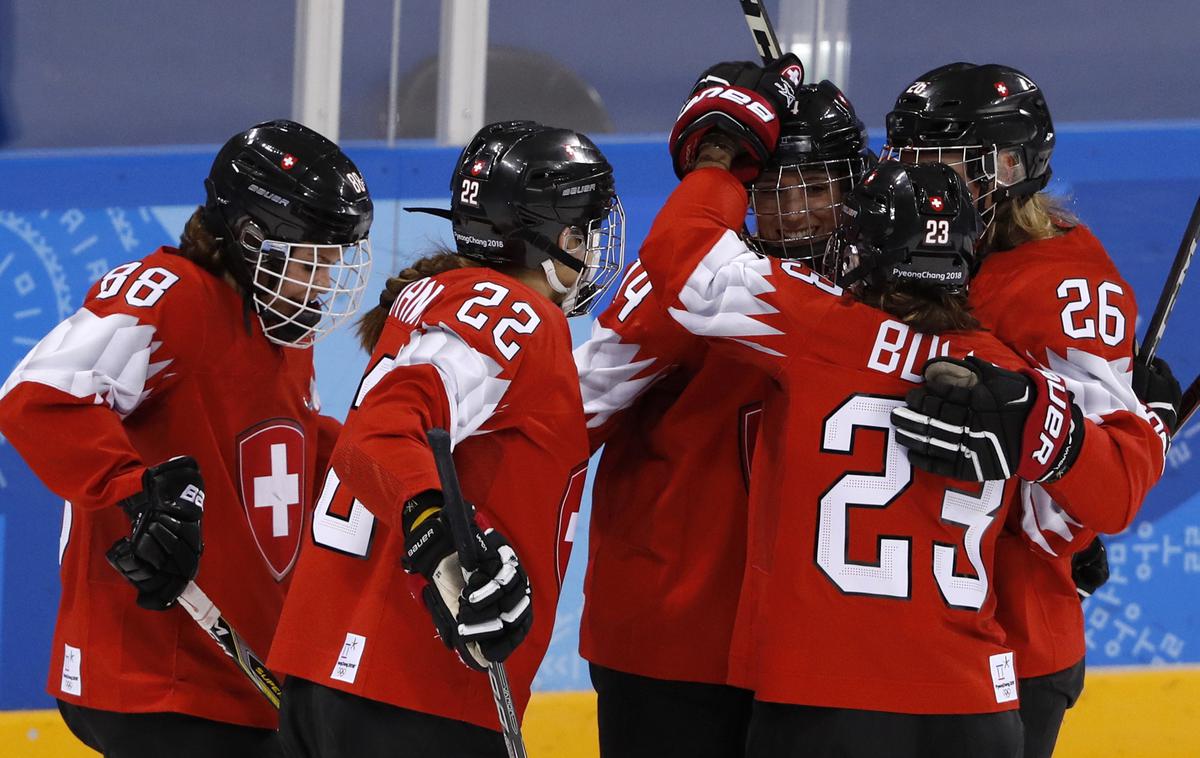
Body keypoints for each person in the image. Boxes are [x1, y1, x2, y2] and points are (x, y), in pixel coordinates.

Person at [627, 58, 1053, 757]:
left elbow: (683, 258)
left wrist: (719, 156)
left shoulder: (814, 329)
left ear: (858, 247)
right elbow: (1102, 487)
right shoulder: (1014, 373)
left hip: (827, 703)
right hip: (977, 710)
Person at [0, 119, 373, 757]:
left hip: (231, 673)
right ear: (254, 237)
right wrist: (136, 494)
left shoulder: (281, 329)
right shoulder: (172, 296)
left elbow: (282, 446)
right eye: (314, 257)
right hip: (152, 672)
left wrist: (390, 478)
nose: (326, 279)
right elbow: (40, 393)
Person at [267, 119, 625, 758]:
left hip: (324, 679)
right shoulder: (516, 312)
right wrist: (438, 536)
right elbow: (380, 433)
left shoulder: (435, 300)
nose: (591, 248)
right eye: (582, 230)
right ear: (550, 237)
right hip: (417, 693)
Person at [575, 69, 875, 758]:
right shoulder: (694, 289)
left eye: (817, 188)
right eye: (771, 191)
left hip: (808, 658)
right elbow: (570, 412)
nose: (795, 213)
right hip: (674, 651)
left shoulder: (882, 299)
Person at [880, 62, 1175, 758]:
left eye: (948, 161)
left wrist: (1070, 511)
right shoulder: (897, 252)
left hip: (1014, 642)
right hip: (900, 628)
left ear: (1009, 168)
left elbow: (1098, 495)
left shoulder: (1062, 284)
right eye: (911, 159)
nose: (924, 181)